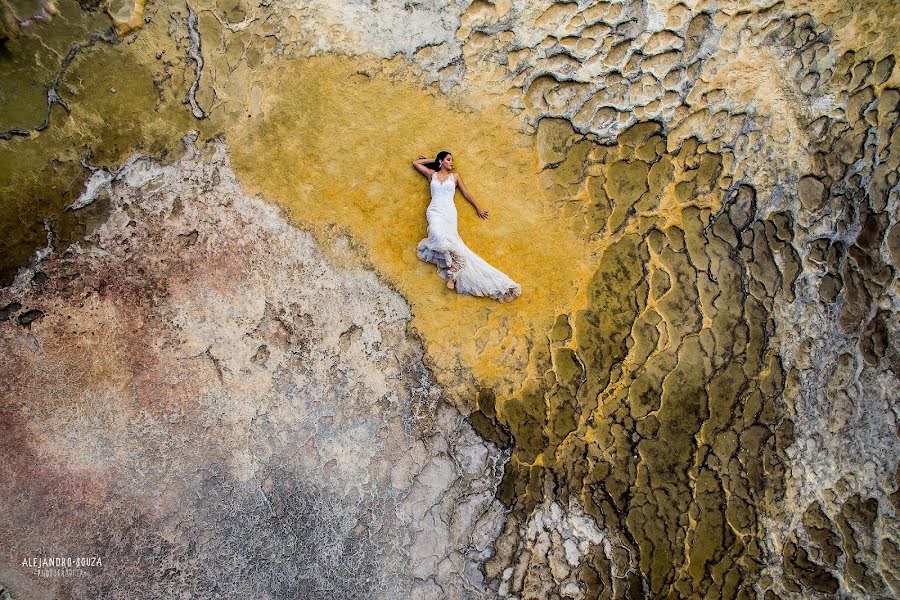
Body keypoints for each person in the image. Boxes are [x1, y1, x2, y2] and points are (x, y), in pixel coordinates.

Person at [412, 151, 522, 302]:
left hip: (449, 213)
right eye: (449, 160)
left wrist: (478, 207)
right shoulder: (432, 175)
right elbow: (415, 163)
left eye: (452, 160)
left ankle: (452, 272)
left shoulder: (455, 177)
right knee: (437, 234)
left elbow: (465, 193)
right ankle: (453, 267)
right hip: (435, 210)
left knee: (451, 241)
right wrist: (434, 160)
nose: (452, 162)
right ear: (441, 161)